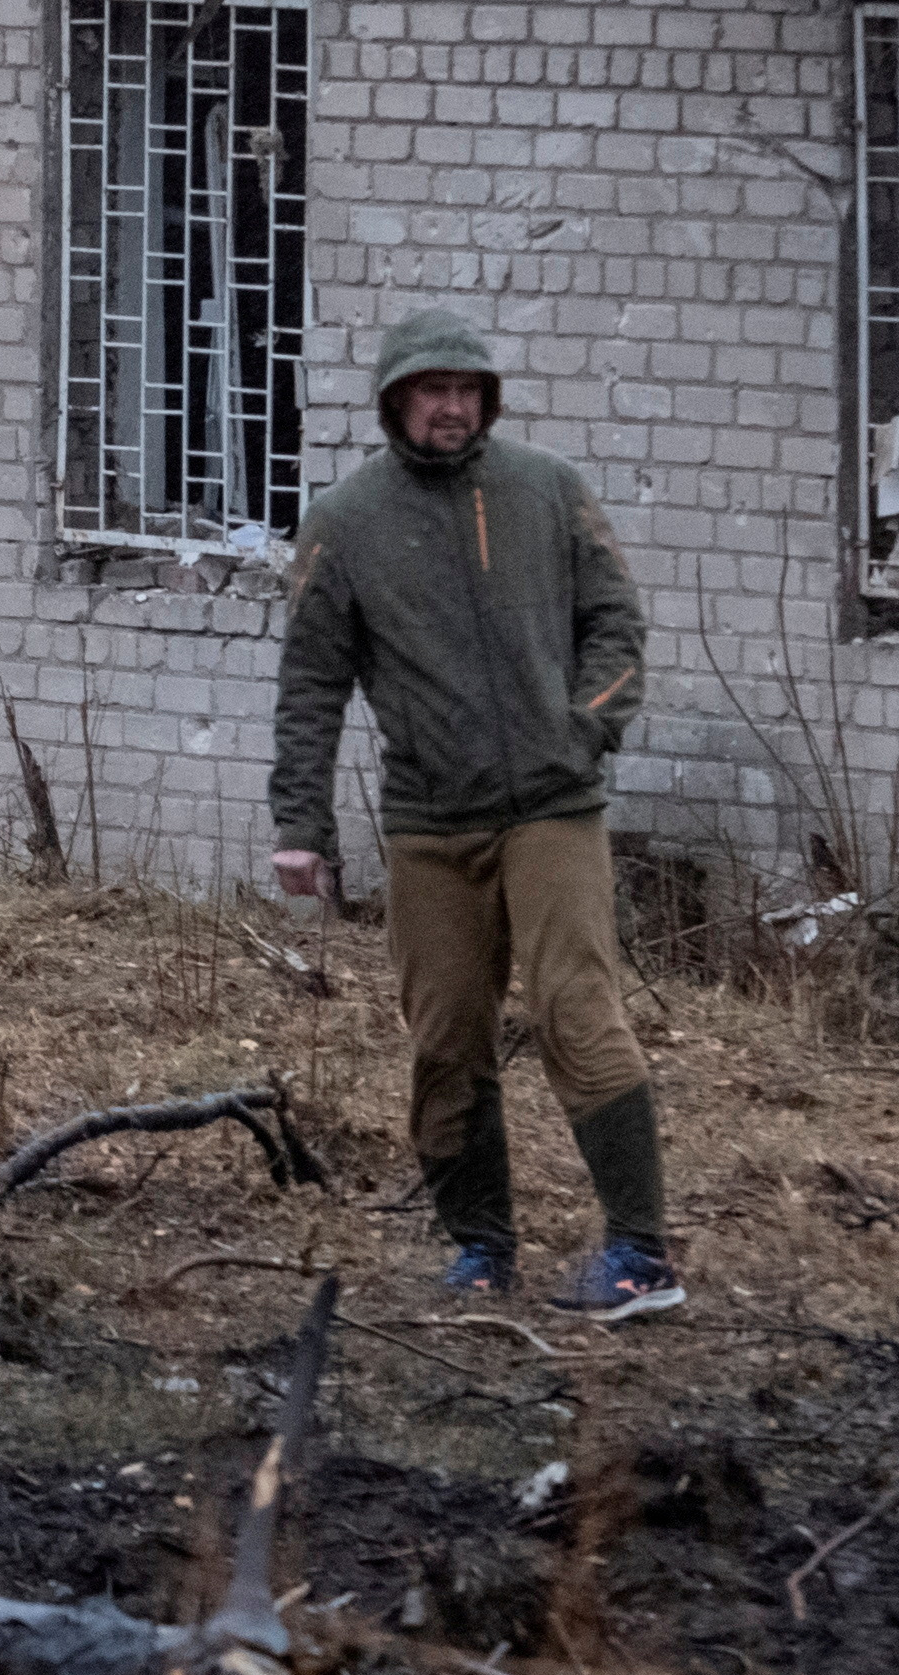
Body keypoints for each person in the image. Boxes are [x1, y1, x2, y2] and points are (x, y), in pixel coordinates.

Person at [268, 309, 678, 1321]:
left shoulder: (546, 489)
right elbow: (312, 681)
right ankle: (481, 1249)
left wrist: (582, 728)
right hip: (429, 823)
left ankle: (639, 1254)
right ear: (394, 401)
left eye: (465, 389)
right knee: (446, 1035)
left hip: (552, 806)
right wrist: (301, 825)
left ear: (485, 399)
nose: (449, 406)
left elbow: (616, 622)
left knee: (576, 1010)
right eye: (430, 389)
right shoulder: (345, 522)